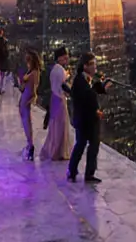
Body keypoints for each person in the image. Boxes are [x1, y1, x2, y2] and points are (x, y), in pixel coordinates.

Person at [67, 53, 109, 184]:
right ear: (85, 66)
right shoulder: (80, 81)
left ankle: (81, 172)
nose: (95, 67)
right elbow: (86, 98)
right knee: (83, 144)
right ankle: (75, 171)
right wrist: (95, 109)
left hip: (87, 118)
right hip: (85, 119)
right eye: (93, 64)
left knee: (89, 145)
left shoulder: (84, 79)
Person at [40, 48, 72, 162]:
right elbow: (63, 87)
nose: (66, 59)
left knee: (56, 126)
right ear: (59, 57)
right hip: (59, 99)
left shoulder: (55, 69)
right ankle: (59, 152)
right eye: (65, 57)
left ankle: (55, 150)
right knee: (61, 125)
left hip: (54, 98)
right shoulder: (60, 70)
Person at [18, 50, 41, 162]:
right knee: (26, 121)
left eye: (28, 59)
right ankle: (29, 144)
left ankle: (30, 145)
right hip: (25, 97)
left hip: (27, 98)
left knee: (27, 122)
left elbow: (34, 88)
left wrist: (32, 98)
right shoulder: (31, 71)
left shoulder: (34, 73)